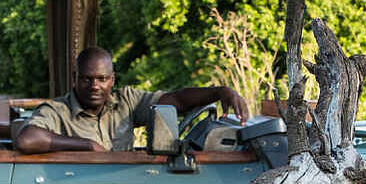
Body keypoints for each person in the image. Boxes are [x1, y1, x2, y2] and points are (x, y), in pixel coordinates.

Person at [13, 47, 250, 154]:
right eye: (86, 79)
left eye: (102, 79)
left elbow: (176, 99)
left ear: (112, 80)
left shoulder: (126, 101)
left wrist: (221, 92)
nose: (94, 86)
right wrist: (87, 146)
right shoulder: (58, 110)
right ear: (75, 79)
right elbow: (27, 139)